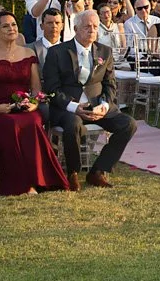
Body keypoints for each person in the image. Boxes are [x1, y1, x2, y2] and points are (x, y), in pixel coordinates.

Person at [0, 13, 71, 195]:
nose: (12, 29)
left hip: (24, 108)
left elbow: (36, 88)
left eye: (14, 24)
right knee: (13, 124)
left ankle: (42, 179)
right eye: (5, 26)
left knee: (33, 121)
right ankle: (21, 184)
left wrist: (33, 104)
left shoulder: (28, 53)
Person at [41, 11, 137, 188]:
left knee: (128, 124)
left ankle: (98, 171)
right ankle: (73, 172)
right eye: (87, 26)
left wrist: (105, 104)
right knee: (74, 124)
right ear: (76, 29)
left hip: (97, 105)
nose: (92, 30)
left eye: (95, 26)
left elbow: (110, 83)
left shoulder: (104, 51)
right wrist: (73, 107)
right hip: (67, 107)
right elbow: (51, 88)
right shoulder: (57, 52)